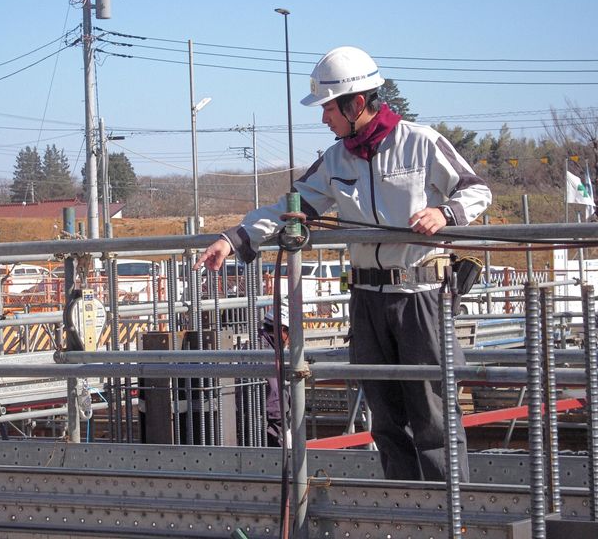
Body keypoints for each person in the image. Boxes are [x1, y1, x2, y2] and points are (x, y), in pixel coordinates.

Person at [195, 46, 491, 482]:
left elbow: (477, 191)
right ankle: (406, 512)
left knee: (433, 415)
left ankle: (450, 518)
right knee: (386, 419)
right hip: (367, 299)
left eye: (328, 108)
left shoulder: (421, 142)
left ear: (356, 104)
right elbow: (289, 208)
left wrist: (445, 214)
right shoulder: (336, 159)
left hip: (421, 297)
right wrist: (232, 239)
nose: (323, 118)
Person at [262, 301, 291, 448]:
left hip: (263, 419)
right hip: (269, 422)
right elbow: (274, 393)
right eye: (290, 333)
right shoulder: (266, 352)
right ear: (281, 329)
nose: (290, 340)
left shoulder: (263, 345)